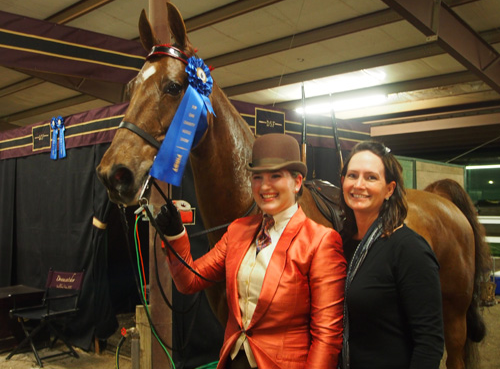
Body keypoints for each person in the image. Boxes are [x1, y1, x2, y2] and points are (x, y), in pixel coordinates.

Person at [155, 133, 346, 369]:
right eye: (257, 177)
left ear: (297, 182)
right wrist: (175, 235)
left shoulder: (320, 241)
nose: (265, 186)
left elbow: (327, 337)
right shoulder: (239, 231)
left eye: (275, 176)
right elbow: (190, 281)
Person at [339, 141, 444, 369]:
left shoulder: (409, 250)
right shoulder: (340, 243)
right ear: (343, 182)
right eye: (352, 175)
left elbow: (429, 343)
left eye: (371, 177)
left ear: (389, 189)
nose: (359, 184)